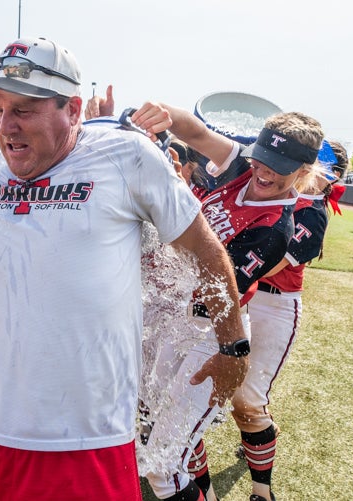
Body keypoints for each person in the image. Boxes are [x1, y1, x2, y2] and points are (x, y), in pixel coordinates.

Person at [0, 37, 248, 501]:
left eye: (24, 109)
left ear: (74, 109)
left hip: (85, 435)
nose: (7, 127)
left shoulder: (126, 158)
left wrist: (234, 346)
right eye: (0, 109)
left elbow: (203, 252)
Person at [126, 100, 323, 501]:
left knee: (163, 461)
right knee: (146, 436)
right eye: (261, 159)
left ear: (303, 173)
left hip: (206, 332)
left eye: (277, 168)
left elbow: (204, 280)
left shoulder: (274, 229)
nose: (262, 171)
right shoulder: (241, 167)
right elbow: (195, 132)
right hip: (169, 317)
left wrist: (171, 197)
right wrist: (160, 113)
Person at [227, 140, 347, 501]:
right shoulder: (273, 196)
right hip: (245, 300)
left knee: (246, 400)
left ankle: (262, 493)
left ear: (328, 175)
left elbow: (268, 264)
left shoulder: (312, 212)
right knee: (229, 393)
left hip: (274, 306)